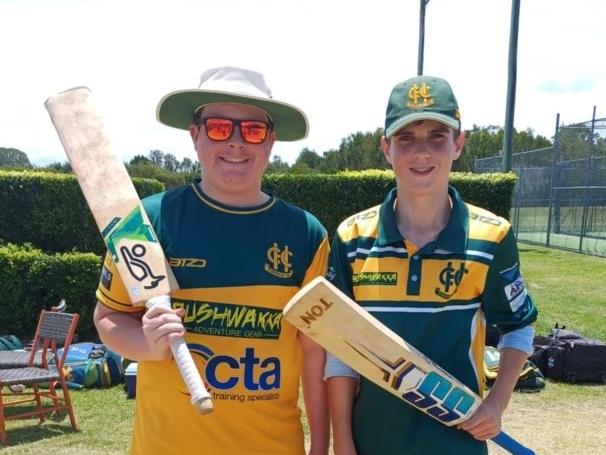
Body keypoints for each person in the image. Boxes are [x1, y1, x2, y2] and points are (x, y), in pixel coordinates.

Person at [94, 67, 329, 455]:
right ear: (195, 135)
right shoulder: (146, 223)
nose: (237, 142)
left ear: (270, 142)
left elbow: (314, 351)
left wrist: (320, 448)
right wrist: (148, 345)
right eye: (220, 127)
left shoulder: (305, 234)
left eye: (252, 130)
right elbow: (108, 318)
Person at [325, 75, 538, 454]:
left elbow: (518, 327)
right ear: (386, 148)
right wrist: (342, 438)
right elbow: (341, 348)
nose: (422, 152)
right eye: (406, 138)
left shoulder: (492, 238)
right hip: (372, 440)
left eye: (436, 136)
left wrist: (497, 403)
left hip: (457, 444)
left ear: (458, 143)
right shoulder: (351, 238)